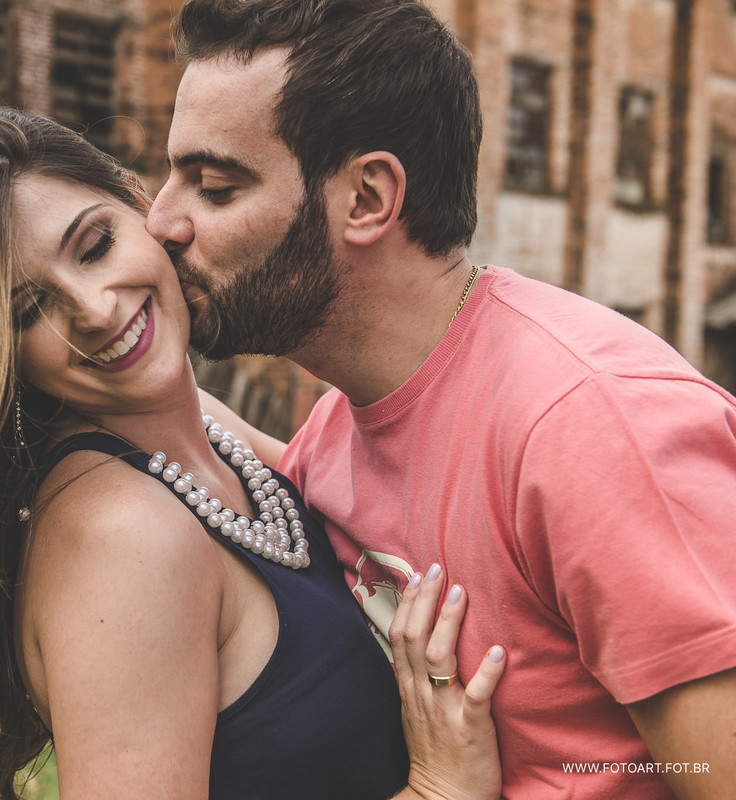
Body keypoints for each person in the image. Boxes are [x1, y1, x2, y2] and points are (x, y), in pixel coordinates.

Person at [0, 105, 507, 800]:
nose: (95, 309)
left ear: (143, 206)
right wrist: (440, 790)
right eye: (28, 310)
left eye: (94, 246)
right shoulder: (122, 538)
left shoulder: (202, 428)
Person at [144, 1, 736, 798]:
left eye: (215, 187)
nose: (161, 221)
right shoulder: (337, 433)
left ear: (367, 198)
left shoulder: (591, 424)